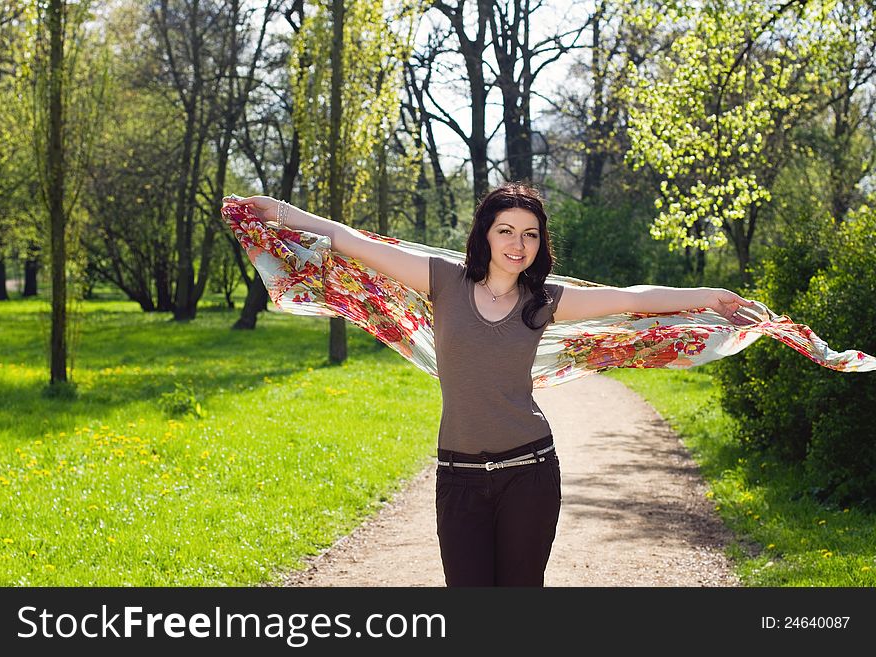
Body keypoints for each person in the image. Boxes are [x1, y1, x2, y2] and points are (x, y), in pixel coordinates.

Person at [226, 182, 756, 587]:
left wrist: (710, 295)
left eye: (530, 233)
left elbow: (633, 299)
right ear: (485, 233)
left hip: (529, 474)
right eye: (506, 230)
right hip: (458, 477)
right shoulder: (442, 281)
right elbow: (352, 241)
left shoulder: (543, 301)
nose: (518, 243)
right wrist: (280, 212)